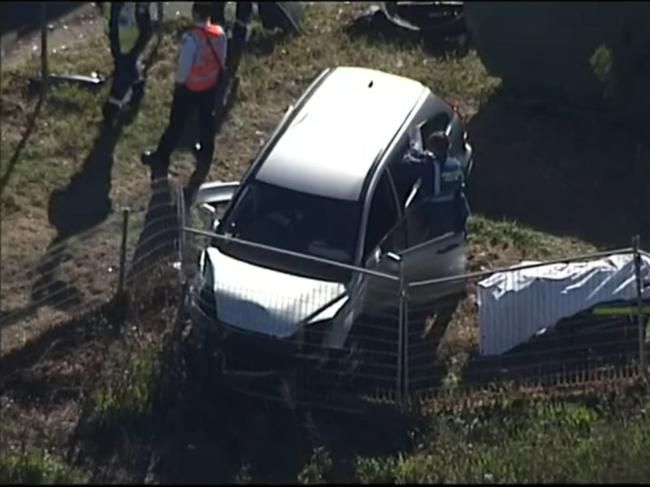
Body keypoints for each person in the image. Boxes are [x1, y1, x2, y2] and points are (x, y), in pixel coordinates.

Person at [141, 1, 227, 203]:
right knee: (207, 123)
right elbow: (222, 60)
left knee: (176, 125)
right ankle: (205, 156)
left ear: (194, 13)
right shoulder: (219, 33)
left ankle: (161, 157)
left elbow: (183, 70)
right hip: (210, 86)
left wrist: (178, 86)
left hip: (190, 89)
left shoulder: (191, 39)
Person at [403, 130, 470, 236]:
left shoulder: (430, 165)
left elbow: (408, 163)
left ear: (434, 148)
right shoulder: (455, 163)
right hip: (453, 207)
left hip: (435, 210)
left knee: (433, 239)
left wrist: (409, 151)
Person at [101, 2, 152, 126]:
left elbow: (146, 28)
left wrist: (138, 47)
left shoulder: (137, 6)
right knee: (126, 70)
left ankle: (112, 108)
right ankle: (137, 89)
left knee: (123, 76)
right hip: (120, 43)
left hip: (129, 45)